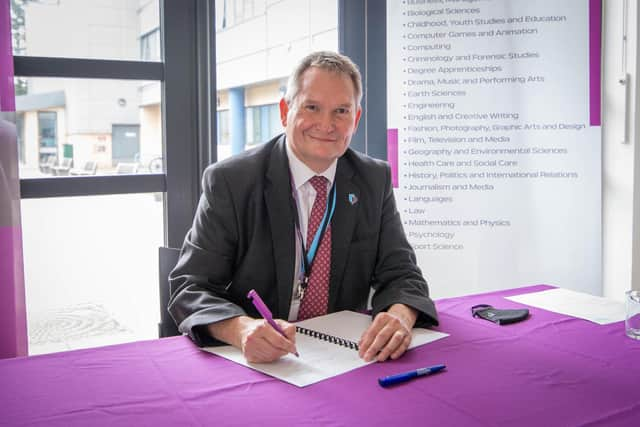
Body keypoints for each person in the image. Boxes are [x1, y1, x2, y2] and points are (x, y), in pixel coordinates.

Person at [169, 51, 438, 364]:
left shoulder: (373, 179)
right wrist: (240, 330)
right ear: (286, 110)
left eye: (341, 111)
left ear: (356, 119)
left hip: (343, 358)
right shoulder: (232, 181)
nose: (327, 124)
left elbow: (403, 274)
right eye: (312, 107)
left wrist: (400, 316)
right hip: (258, 362)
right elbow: (190, 287)